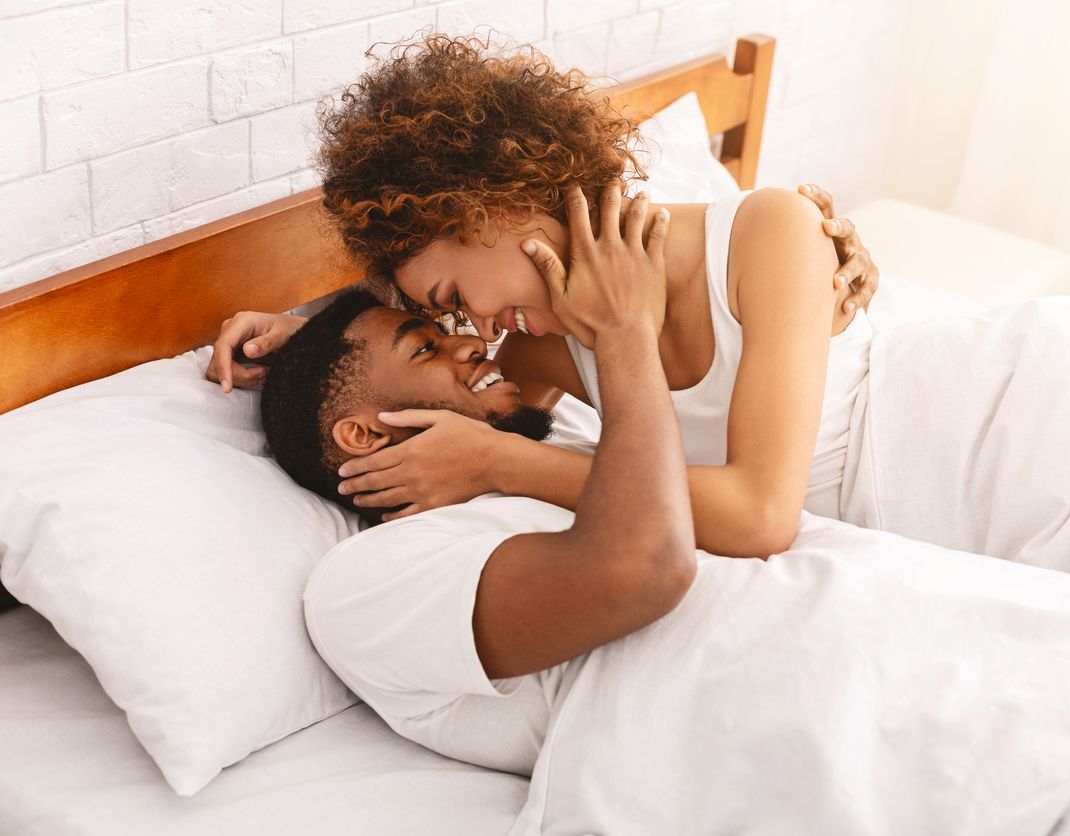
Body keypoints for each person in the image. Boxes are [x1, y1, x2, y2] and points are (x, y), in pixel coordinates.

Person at [271, 191, 1070, 836]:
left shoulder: (557, 439)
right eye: (426, 337)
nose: (467, 341)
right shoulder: (364, 582)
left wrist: (301, 326)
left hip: (943, 595)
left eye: (449, 315)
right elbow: (644, 564)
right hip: (813, 690)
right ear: (361, 436)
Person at [213, 34, 882, 558]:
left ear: (488, 206)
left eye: (452, 295)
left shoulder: (772, 231)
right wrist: (304, 339)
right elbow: (414, 395)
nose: (474, 327)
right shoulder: (535, 355)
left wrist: (508, 462)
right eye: (447, 317)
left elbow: (759, 517)